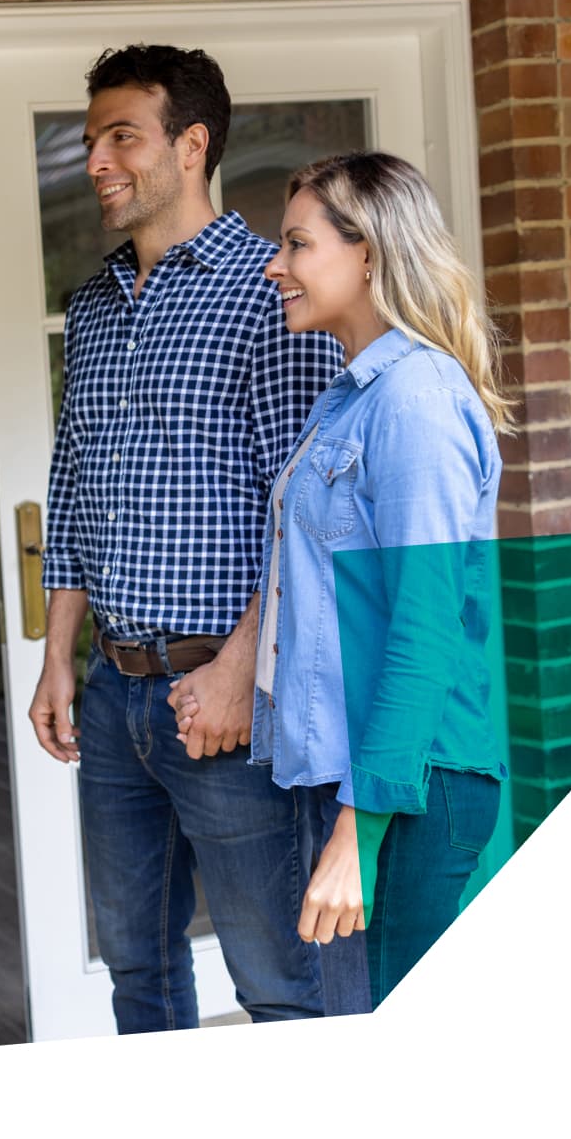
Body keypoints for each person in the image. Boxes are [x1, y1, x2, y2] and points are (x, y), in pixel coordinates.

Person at [27, 44, 369, 1032]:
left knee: (277, 985)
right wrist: (58, 655)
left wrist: (238, 667)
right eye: (90, 140)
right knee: (138, 975)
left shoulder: (271, 294)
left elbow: (305, 507)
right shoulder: (92, 308)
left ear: (192, 146)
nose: (96, 159)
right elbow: (75, 485)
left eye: (121, 136)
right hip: (111, 696)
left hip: (229, 700)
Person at [181, 151, 512, 1007]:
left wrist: (358, 837)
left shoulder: (414, 401)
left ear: (367, 253)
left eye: (296, 244)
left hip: (410, 789)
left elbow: (425, 631)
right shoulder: (350, 398)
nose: (275, 265)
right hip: (352, 780)